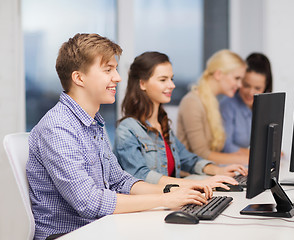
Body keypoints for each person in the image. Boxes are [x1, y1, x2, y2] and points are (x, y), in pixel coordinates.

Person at [26, 34, 215, 240]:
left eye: (115, 69)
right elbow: (89, 202)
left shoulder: (93, 123)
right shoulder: (58, 127)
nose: (117, 77)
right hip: (71, 234)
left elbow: (120, 181)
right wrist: (164, 199)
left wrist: (174, 191)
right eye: (108, 70)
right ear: (79, 78)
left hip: (100, 227)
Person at [113, 51, 247, 190]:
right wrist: (196, 184)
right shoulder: (127, 129)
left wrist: (219, 170)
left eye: (172, 79)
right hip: (150, 207)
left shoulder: (162, 125)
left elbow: (188, 159)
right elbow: (141, 175)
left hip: (170, 201)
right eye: (163, 80)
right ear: (142, 84)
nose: (172, 85)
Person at [177, 49, 249, 165]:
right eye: (237, 78)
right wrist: (249, 160)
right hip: (191, 176)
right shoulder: (192, 102)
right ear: (218, 74)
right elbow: (202, 154)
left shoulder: (212, 103)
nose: (240, 85)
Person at [219, 53, 273, 153]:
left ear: (265, 88)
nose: (251, 92)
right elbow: (226, 147)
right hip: (229, 164)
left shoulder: (262, 107)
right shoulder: (227, 106)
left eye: (257, 88)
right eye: (246, 85)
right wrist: (258, 154)